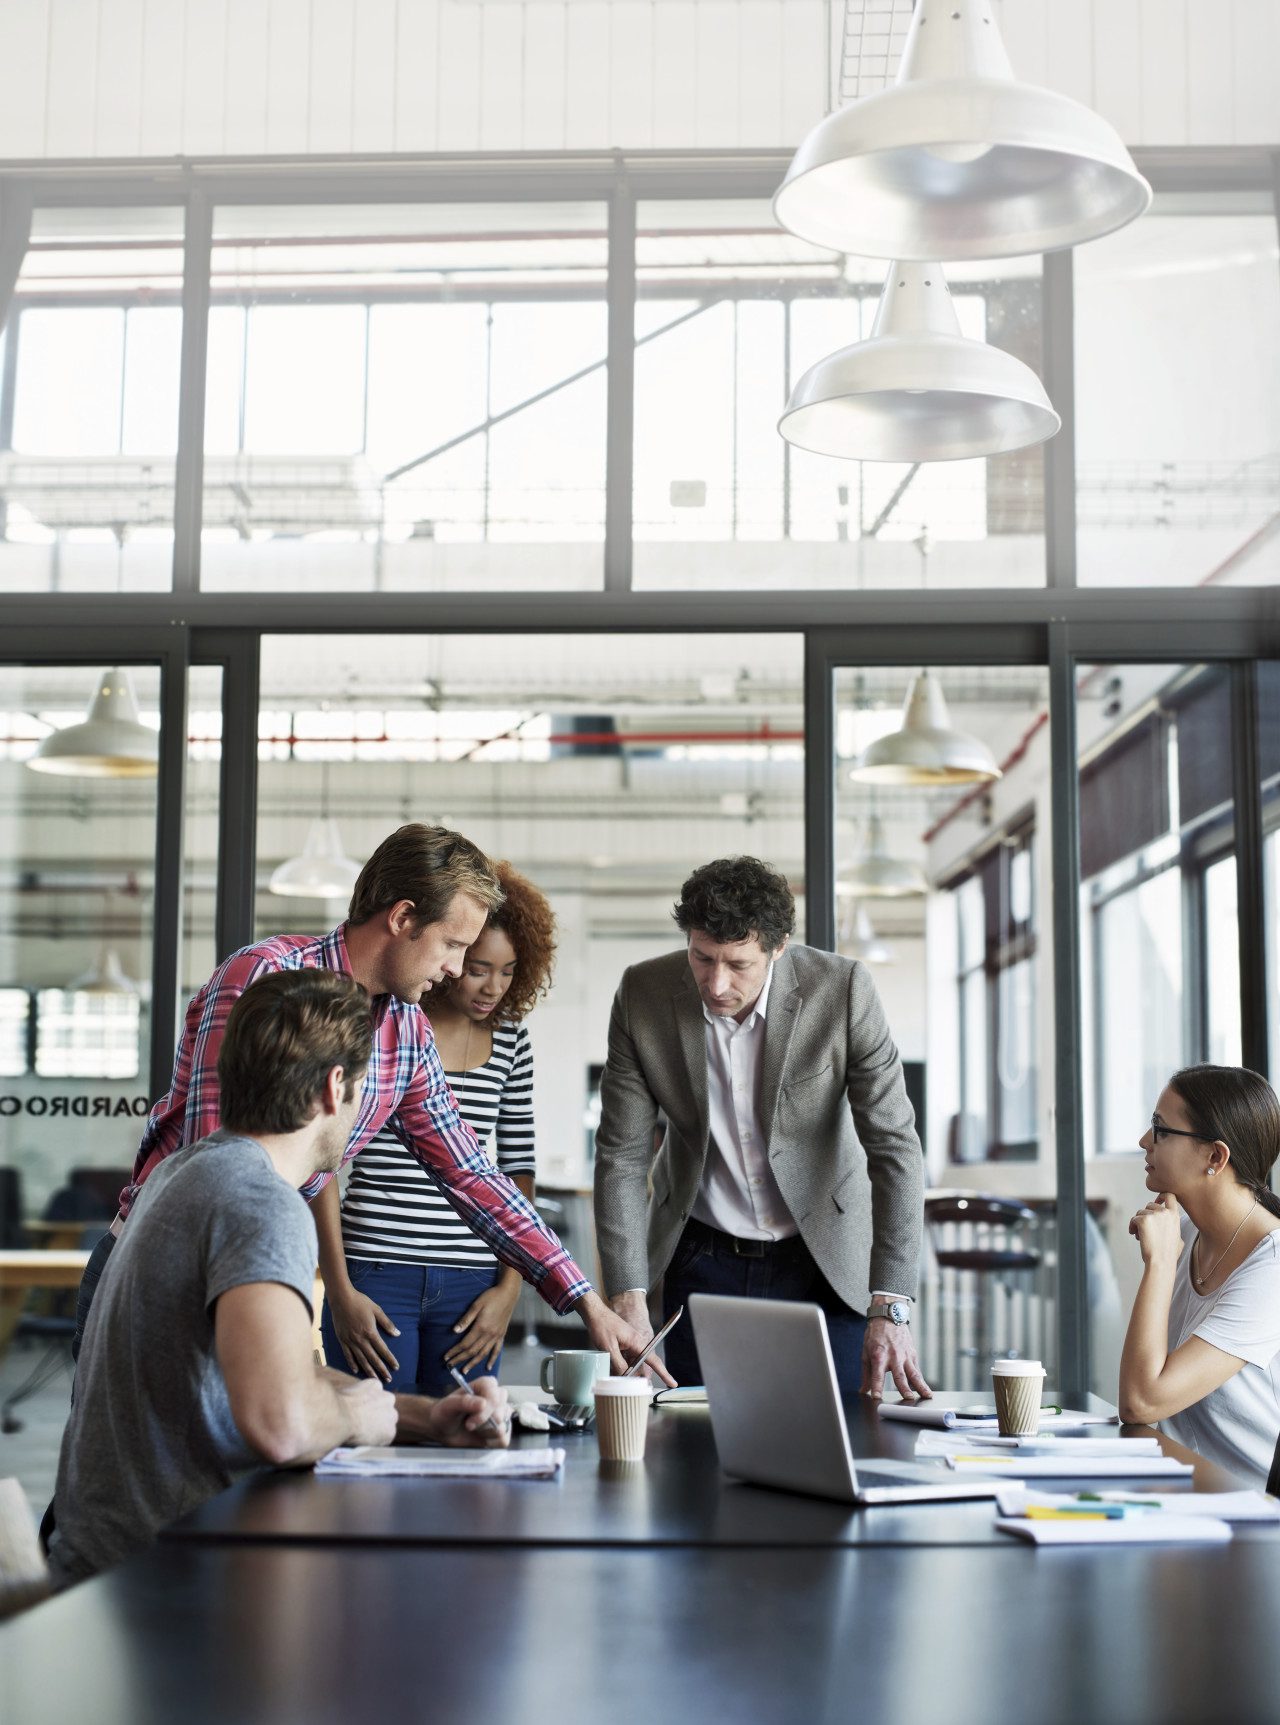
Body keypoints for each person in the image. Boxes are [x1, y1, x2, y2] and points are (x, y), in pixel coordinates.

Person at [73, 823, 656, 1378]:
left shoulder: (405, 1030)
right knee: (123, 1477)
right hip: (162, 1270)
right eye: (453, 944)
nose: (456, 969)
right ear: (403, 918)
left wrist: (586, 1302)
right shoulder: (266, 976)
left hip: (259, 1277)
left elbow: (470, 1172)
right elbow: (216, 1163)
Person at [47, 970, 511, 1589]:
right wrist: (355, 1422)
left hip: (117, 1562)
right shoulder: (261, 1204)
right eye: (365, 1088)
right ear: (333, 1087)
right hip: (164, 1586)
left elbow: (270, 1368)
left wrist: (424, 1418)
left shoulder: (188, 1171)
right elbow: (281, 1423)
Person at [593, 855, 930, 1401]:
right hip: (700, 1257)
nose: (717, 983)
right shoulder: (643, 994)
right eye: (702, 958)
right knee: (695, 1446)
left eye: (738, 964)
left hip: (825, 1259)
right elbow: (621, 1155)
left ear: (779, 947)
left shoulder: (842, 991)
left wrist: (890, 1302)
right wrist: (626, 1295)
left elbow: (894, 1148)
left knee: (838, 1441)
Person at [321, 862, 555, 1393]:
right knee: (370, 1442)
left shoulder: (512, 1042)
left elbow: (514, 1169)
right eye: (475, 965)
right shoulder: (389, 1023)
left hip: (472, 1284)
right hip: (376, 1270)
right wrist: (337, 1288)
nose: (492, 986)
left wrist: (508, 1292)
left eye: (509, 970)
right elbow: (324, 1162)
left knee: (469, 1444)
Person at [1120, 1064, 1280, 1487]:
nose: (1143, 1142)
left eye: (1161, 1129)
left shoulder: (1273, 1268)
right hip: (1182, 1494)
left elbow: (1140, 1402)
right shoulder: (1185, 1232)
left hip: (1255, 1521)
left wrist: (1158, 1264)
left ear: (1215, 1156)